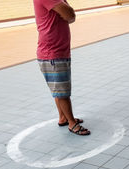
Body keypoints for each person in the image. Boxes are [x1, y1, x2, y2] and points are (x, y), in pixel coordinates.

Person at [33, 0, 90, 136]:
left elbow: (68, 16)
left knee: (58, 89)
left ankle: (63, 117)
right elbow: (70, 15)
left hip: (56, 52)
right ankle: (72, 123)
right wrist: (68, 12)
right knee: (62, 92)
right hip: (52, 54)